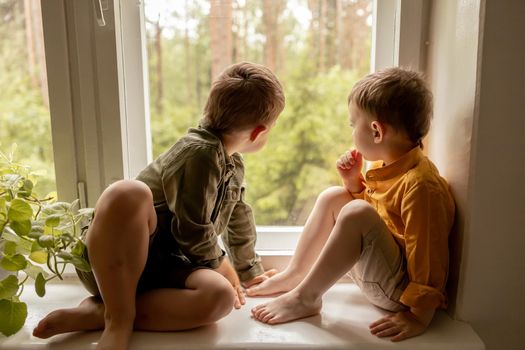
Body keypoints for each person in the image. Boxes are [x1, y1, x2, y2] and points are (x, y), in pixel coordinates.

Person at [32, 62, 284, 350]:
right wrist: (222, 266)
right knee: (128, 192)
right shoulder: (199, 153)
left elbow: (239, 218)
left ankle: (100, 313)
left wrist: (249, 271)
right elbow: (193, 229)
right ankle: (118, 319)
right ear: (258, 132)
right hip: (115, 268)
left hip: (167, 269)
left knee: (220, 298)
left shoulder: (232, 164)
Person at [248, 67, 455, 342]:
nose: (351, 131)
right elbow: (377, 224)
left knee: (356, 211)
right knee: (334, 196)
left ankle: (306, 298)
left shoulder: (421, 185)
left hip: (400, 296)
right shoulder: (390, 166)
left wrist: (418, 315)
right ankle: (295, 275)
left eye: (352, 123)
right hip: (384, 276)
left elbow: (428, 256)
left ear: (376, 131)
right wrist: (354, 184)